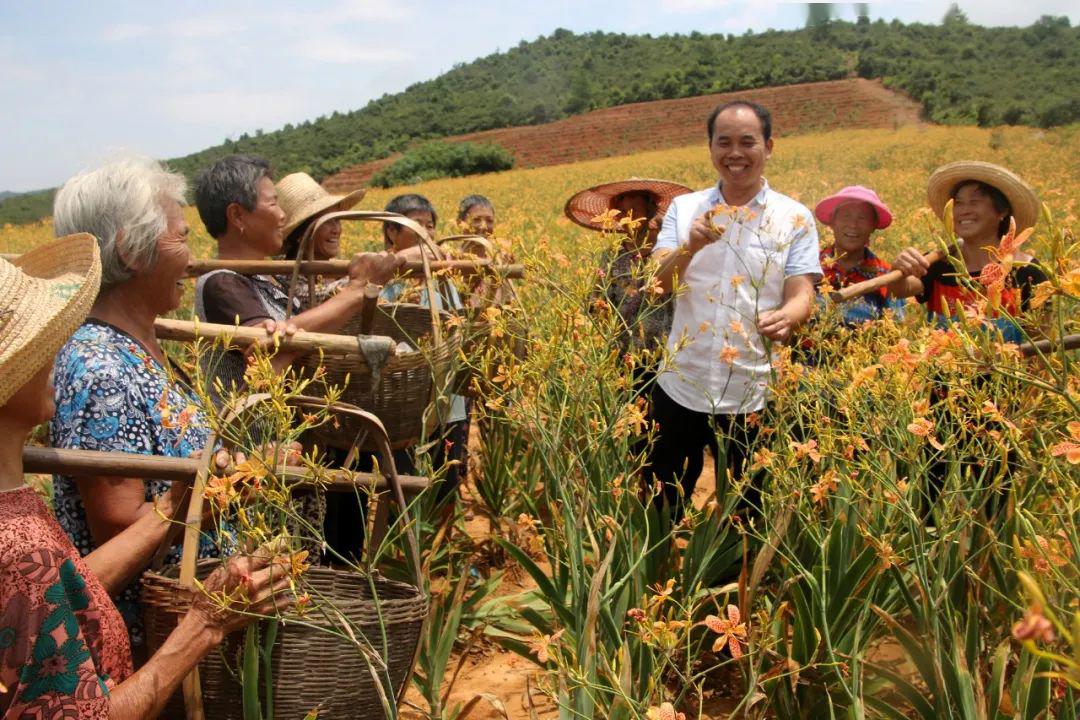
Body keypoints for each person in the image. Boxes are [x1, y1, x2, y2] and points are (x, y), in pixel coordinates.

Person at [0, 236, 288, 718]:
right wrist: (205, 624)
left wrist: (175, 509)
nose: (56, 351)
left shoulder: (14, 504)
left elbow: (60, 590)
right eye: (39, 342)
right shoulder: (15, 542)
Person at [48, 157, 251, 657]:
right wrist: (230, 487)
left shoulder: (141, 346)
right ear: (130, 251)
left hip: (196, 627)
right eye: (180, 237)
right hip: (155, 643)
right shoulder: (100, 367)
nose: (192, 255)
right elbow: (121, 528)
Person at [647, 100, 822, 517]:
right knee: (663, 501)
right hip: (682, 383)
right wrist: (690, 247)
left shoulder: (794, 217)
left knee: (746, 513)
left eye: (748, 142)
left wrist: (791, 315)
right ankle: (661, 577)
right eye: (723, 142)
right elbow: (657, 285)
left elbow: (803, 292)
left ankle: (733, 580)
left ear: (769, 146)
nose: (735, 153)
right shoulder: (684, 209)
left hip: (753, 390)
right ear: (710, 148)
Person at [193, 155, 401, 381]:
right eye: (273, 204)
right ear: (237, 216)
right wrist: (359, 288)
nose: (283, 216)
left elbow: (294, 331)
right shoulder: (222, 283)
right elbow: (267, 357)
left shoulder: (272, 277)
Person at [890, 161, 1047, 344]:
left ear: (1002, 211)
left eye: (975, 202)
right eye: (958, 203)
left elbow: (1042, 342)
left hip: (1009, 372)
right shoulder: (940, 263)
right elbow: (900, 291)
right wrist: (898, 271)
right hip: (945, 371)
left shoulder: (1028, 271)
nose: (964, 211)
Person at [381, 194, 469, 506]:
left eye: (430, 227)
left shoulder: (442, 276)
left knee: (445, 483)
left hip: (446, 399)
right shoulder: (383, 273)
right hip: (403, 403)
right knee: (403, 492)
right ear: (392, 232)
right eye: (417, 225)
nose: (427, 234)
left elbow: (458, 325)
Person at [565, 179, 692, 369]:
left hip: (667, 354)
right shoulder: (611, 255)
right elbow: (598, 301)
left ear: (651, 211)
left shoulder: (668, 251)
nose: (626, 219)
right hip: (623, 355)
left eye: (632, 212)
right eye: (621, 213)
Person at [276, 171, 366, 306]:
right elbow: (327, 294)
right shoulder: (288, 279)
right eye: (327, 221)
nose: (337, 230)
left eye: (337, 220)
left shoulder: (339, 269)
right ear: (301, 234)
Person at [814, 185, 900, 325]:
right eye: (846, 216)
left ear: (873, 226)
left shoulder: (886, 275)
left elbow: (893, 329)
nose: (853, 225)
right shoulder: (810, 266)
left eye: (862, 218)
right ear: (832, 222)